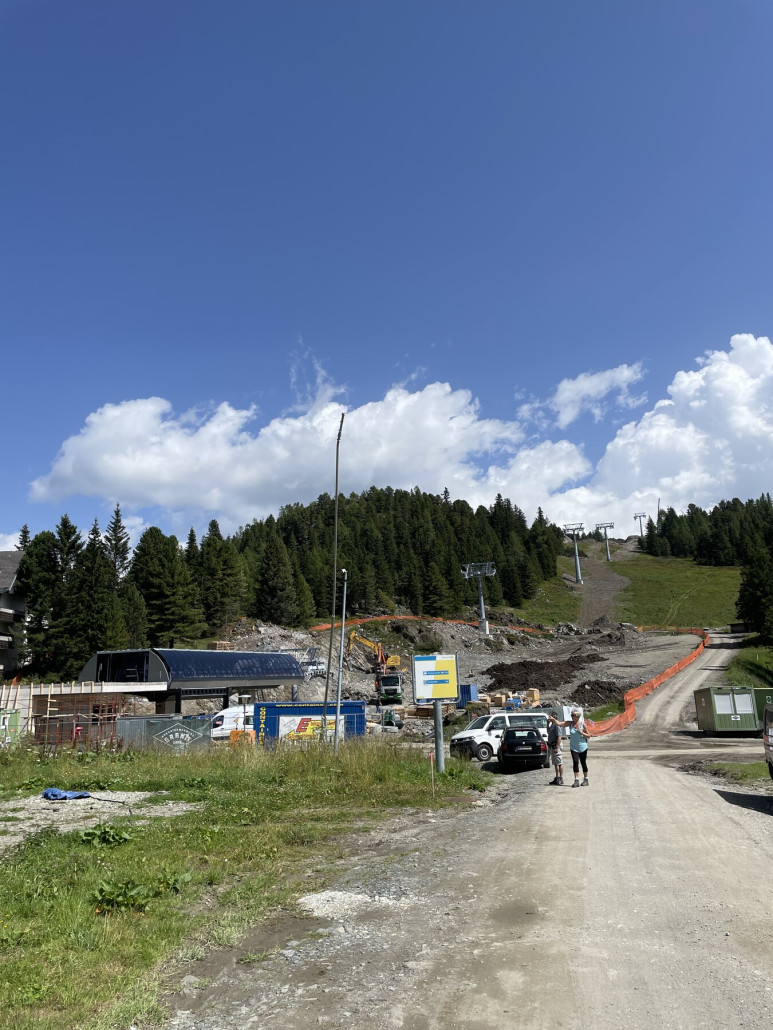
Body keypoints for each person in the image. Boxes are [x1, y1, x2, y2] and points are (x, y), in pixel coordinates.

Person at [548, 709, 590, 787]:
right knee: (575, 762)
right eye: (571, 715)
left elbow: (589, 735)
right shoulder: (570, 723)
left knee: (583, 762)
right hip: (573, 747)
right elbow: (559, 723)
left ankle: (586, 779)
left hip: (583, 747)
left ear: (577, 716)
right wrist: (553, 720)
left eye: (572, 715)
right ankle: (576, 780)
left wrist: (581, 732)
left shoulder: (582, 724)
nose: (571, 717)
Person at [547, 714, 564, 785]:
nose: (549, 718)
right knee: (555, 763)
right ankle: (557, 777)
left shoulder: (557, 725)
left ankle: (561, 778)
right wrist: (547, 724)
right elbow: (548, 732)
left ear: (555, 717)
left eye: (551, 717)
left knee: (559, 762)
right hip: (552, 745)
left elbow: (559, 736)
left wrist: (557, 747)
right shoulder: (552, 724)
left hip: (556, 745)